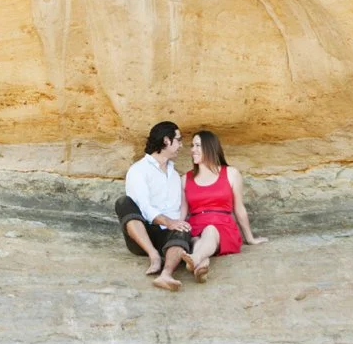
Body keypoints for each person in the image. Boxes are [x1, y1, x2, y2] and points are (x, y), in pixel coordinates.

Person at [180, 130, 268, 282]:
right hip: (195, 226)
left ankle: (196, 258)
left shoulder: (231, 173)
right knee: (195, 241)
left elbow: (239, 208)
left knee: (210, 230)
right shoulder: (185, 179)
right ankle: (201, 264)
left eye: (197, 145)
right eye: (192, 145)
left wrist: (250, 238)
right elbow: (183, 211)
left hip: (223, 226)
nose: (192, 150)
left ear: (210, 147)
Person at [114, 121, 192, 291]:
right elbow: (143, 207)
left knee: (184, 228)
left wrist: (178, 224)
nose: (181, 145)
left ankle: (166, 274)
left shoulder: (175, 174)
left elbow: (179, 209)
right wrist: (168, 222)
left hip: (169, 237)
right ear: (166, 140)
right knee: (123, 202)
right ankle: (153, 255)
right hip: (143, 235)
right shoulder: (138, 170)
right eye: (178, 140)